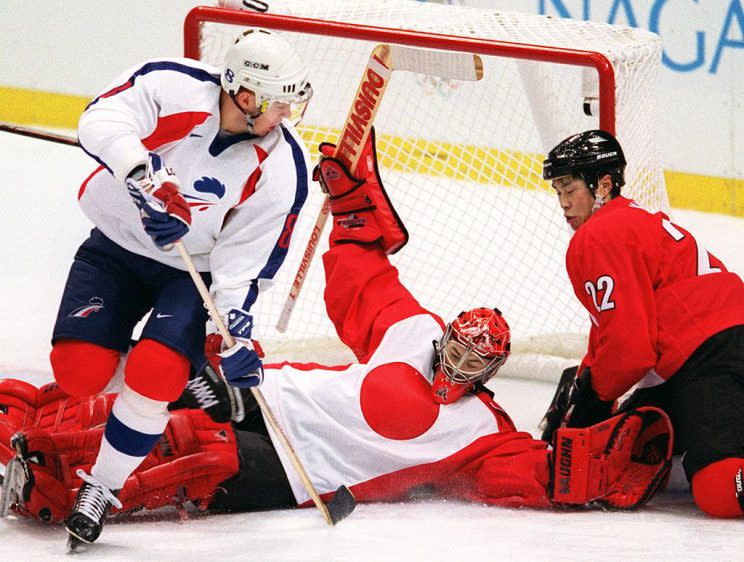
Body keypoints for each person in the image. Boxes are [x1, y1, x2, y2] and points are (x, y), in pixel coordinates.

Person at [0, 130, 672, 530]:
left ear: (491, 376)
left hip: (296, 473)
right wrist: (353, 207)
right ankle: (19, 419)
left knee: (194, 449)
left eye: (477, 362)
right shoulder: (410, 330)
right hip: (266, 399)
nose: (461, 365)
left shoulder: (483, 434)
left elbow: (537, 475)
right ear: (445, 337)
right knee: (138, 394)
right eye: (459, 348)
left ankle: (52, 481)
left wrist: (603, 459)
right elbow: (360, 276)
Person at [47, 28, 313, 543]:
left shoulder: (283, 166)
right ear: (244, 93)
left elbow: (244, 261)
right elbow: (100, 119)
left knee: (157, 371)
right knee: (78, 372)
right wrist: (142, 180)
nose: (285, 117)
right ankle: (178, 374)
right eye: (277, 104)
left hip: (197, 269)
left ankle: (102, 485)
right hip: (119, 243)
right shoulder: (173, 85)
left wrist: (232, 328)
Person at [541, 129, 744, 518]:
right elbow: (614, 327)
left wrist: (592, 399)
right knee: (636, 445)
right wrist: (588, 379)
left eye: (570, 190)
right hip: (705, 348)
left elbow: (632, 350)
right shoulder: (630, 220)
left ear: (603, 184)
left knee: (721, 488)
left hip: (710, 354)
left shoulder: (597, 235)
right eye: (558, 193)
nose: (564, 203)